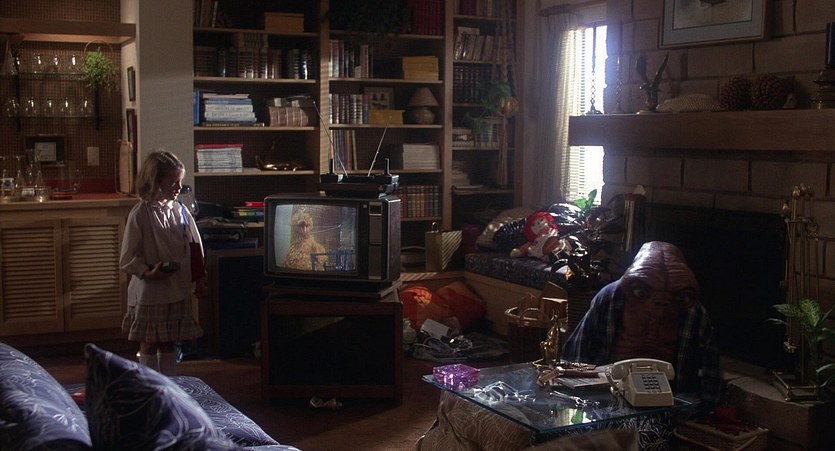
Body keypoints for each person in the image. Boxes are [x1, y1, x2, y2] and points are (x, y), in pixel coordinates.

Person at [562, 241, 722, 413]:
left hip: (671, 407)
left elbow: (711, 374)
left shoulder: (693, 312)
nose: (660, 307)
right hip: (607, 402)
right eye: (644, 293)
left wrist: (698, 414)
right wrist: (582, 403)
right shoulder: (611, 299)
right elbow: (575, 356)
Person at [120, 150, 204, 376]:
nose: (179, 187)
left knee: (168, 341)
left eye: (180, 181)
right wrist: (147, 272)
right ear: (156, 181)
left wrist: (199, 279)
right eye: (173, 182)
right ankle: (150, 385)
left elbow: (195, 248)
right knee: (149, 342)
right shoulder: (141, 213)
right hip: (151, 292)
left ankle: (169, 383)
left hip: (176, 288)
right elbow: (127, 256)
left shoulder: (180, 211)